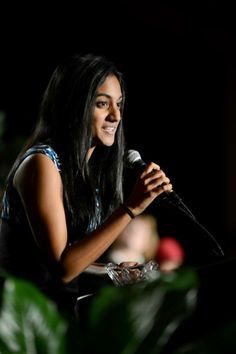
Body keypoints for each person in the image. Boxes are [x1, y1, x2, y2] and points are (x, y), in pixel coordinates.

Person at [0, 53, 173, 317]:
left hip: (60, 315)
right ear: (75, 106)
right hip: (23, 322)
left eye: (120, 104)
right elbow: (62, 268)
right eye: (103, 104)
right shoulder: (42, 163)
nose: (116, 115)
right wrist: (130, 208)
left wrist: (114, 272)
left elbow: (71, 259)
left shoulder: (84, 171)